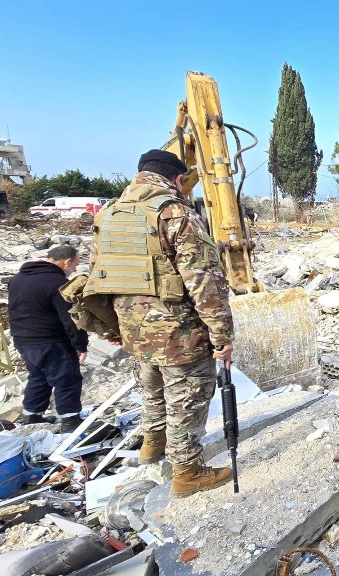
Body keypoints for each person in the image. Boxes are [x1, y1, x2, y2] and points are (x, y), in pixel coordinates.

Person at [89, 149, 235, 499]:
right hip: (177, 330)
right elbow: (203, 280)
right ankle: (187, 471)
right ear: (178, 180)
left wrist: (111, 327)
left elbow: (98, 278)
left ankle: (152, 446)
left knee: (152, 389)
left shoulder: (109, 215)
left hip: (133, 330)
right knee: (186, 396)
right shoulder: (173, 213)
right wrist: (222, 335)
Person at [8, 245, 88, 432]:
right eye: (74, 265)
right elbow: (70, 318)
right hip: (50, 340)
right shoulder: (57, 283)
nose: (74, 270)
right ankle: (70, 420)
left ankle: (32, 416)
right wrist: (80, 345)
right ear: (66, 262)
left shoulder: (17, 279)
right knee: (66, 378)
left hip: (22, 339)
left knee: (38, 376)